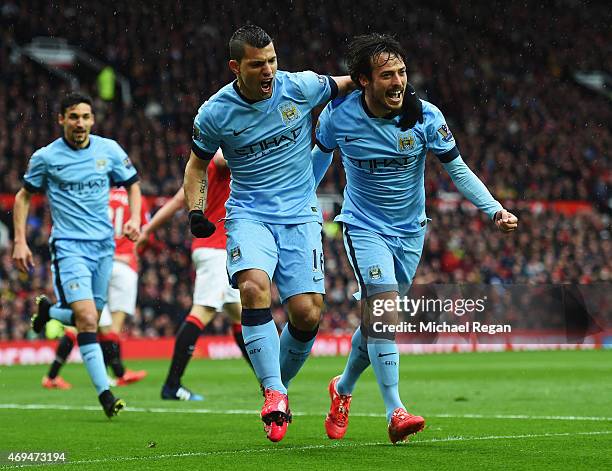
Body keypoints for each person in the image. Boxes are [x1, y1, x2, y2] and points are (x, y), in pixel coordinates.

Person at [312, 34, 518, 443]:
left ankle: (343, 388)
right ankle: (396, 411)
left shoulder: (425, 116)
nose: (398, 81)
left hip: (410, 232)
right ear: (363, 81)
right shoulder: (337, 116)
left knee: (376, 321)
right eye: (386, 74)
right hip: (363, 225)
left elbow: (457, 169)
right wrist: (298, 211)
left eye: (402, 72)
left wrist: (494, 208)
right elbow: (315, 166)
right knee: (385, 311)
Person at [183, 25, 354, 441]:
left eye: (272, 61)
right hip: (249, 215)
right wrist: (195, 210)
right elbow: (195, 166)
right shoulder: (215, 113)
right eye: (258, 64)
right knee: (254, 288)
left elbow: (349, 83)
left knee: (307, 312)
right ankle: (273, 390)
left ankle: (278, 387)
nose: (268, 71)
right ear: (235, 67)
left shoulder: (300, 87)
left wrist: (381, 78)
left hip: (300, 215)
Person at [12, 92, 141, 418]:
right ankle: (106, 395)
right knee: (86, 318)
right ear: (61, 120)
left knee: (91, 321)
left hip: (103, 247)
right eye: (73, 117)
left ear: (92, 119)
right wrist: (20, 241)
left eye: (85, 116)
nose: (80, 123)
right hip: (69, 248)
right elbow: (23, 197)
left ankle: (51, 313)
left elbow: (133, 184)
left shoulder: (109, 150)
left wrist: (135, 219)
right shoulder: (46, 158)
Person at [136, 150, 251, 401]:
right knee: (203, 311)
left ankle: (269, 380)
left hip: (216, 249)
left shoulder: (199, 172)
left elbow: (178, 201)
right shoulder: (219, 159)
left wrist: (147, 231)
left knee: (240, 315)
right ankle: (172, 385)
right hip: (216, 249)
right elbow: (222, 158)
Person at [42, 187, 148, 389]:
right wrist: (132, 251)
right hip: (125, 265)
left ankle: (115, 372)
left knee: (86, 320)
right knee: (111, 327)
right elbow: (145, 233)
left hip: (99, 261)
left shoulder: (95, 194)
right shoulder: (136, 197)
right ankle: (116, 372)